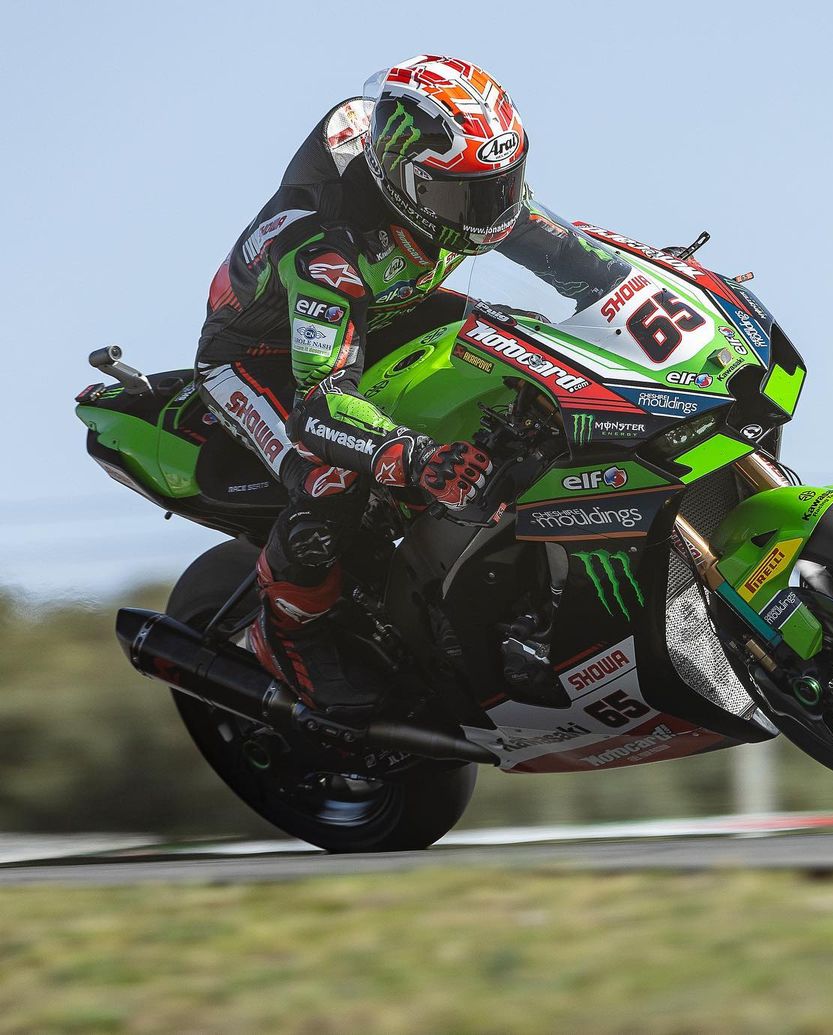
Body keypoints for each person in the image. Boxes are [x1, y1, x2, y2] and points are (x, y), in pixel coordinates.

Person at [195, 54, 617, 717]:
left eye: (501, 186)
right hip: (262, 357)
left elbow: (576, 260)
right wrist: (416, 456)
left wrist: (665, 291)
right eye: (464, 197)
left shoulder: (456, 180)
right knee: (329, 476)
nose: (487, 213)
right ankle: (290, 637)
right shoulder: (326, 249)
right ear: (403, 179)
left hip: (385, 312)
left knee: (530, 351)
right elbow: (320, 405)